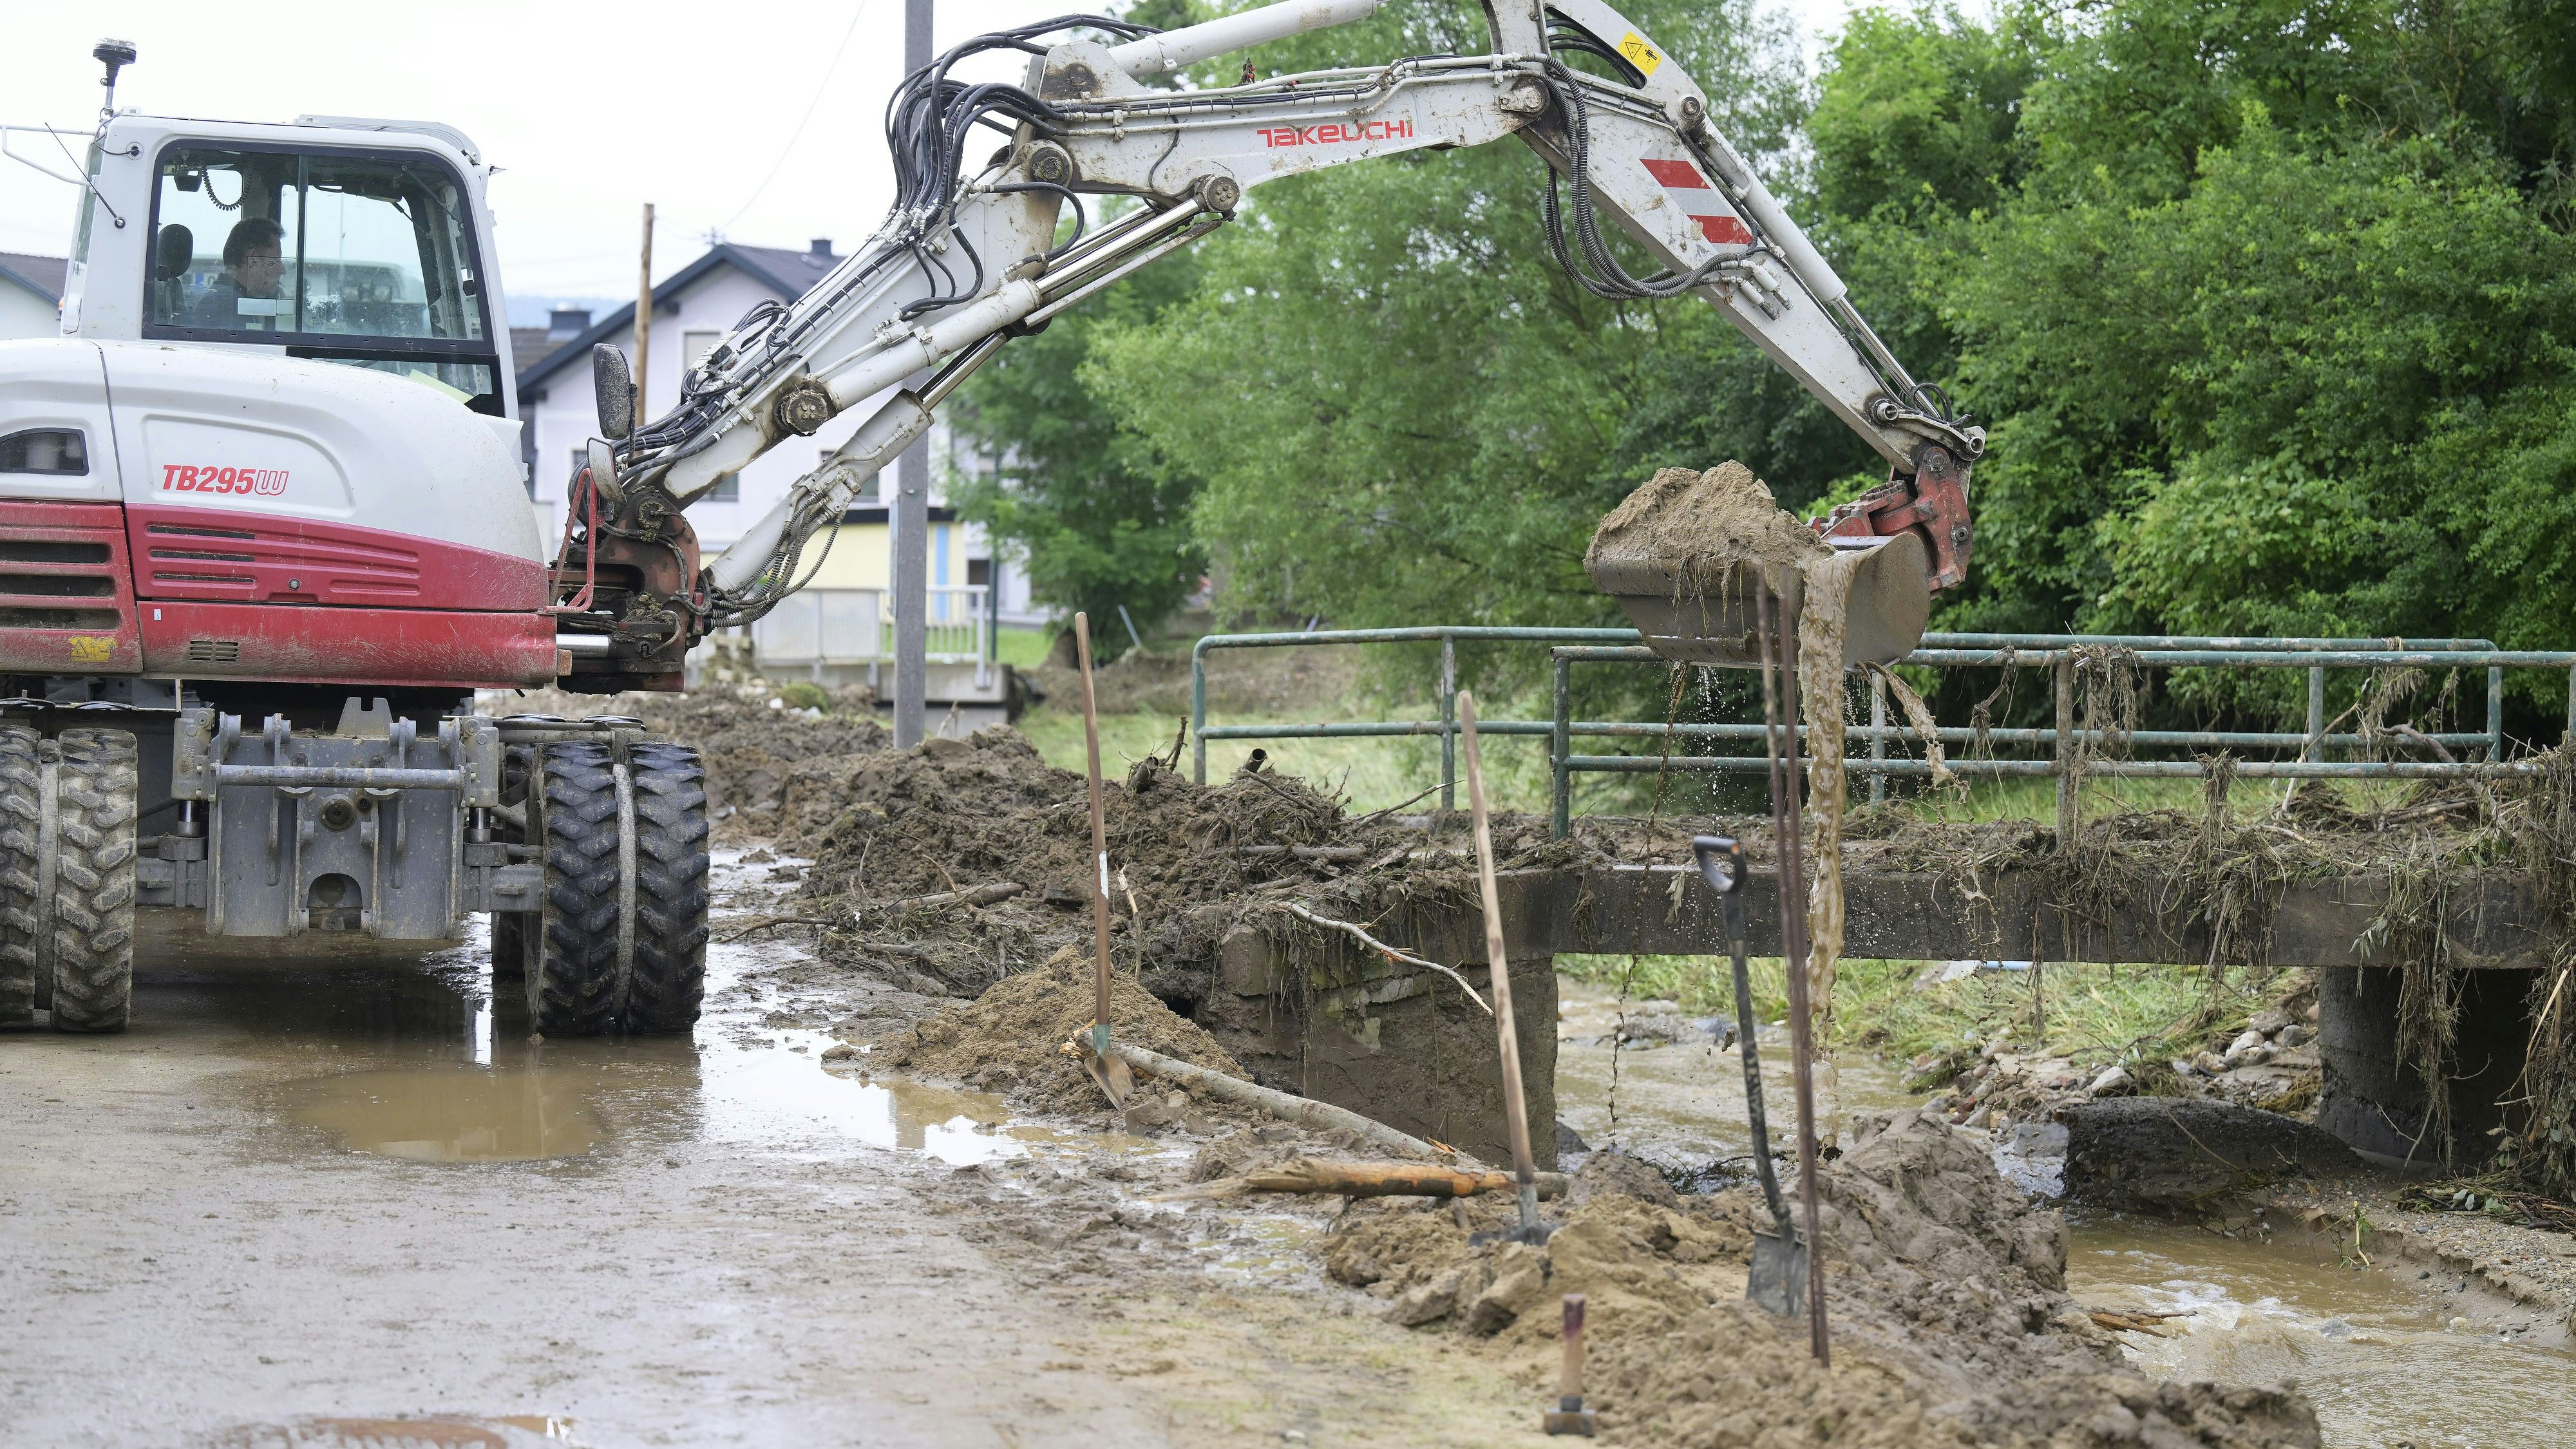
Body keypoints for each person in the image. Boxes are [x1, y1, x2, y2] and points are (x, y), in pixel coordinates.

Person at [192, 217, 287, 330]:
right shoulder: (221, 305)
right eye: (275, 261)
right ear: (253, 259)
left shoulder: (236, 301)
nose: (283, 270)